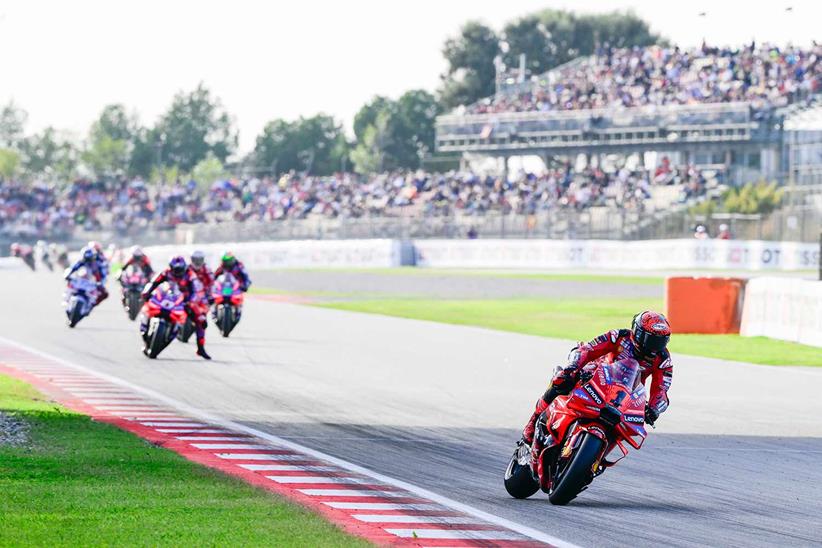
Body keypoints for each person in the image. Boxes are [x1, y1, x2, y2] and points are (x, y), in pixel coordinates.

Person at [520, 311, 673, 451]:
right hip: (598, 376)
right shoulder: (619, 336)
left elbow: (661, 390)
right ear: (637, 332)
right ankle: (532, 423)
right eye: (650, 339)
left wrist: (654, 408)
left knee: (626, 427)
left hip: (625, 395)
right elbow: (588, 349)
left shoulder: (663, 359)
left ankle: (595, 461)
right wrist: (573, 368)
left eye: (660, 342)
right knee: (562, 379)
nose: (654, 346)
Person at [141, 256, 211, 360]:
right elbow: (154, 283)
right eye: (174, 269)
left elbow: (195, 291)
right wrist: (147, 292)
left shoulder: (190, 275)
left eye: (179, 270)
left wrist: (190, 301)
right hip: (166, 297)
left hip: (183, 301)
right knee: (146, 308)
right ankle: (144, 330)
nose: (177, 272)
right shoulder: (166, 273)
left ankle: (200, 349)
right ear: (171, 267)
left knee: (201, 320)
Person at [187, 250, 214, 358]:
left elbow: (213, 284)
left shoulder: (207, 271)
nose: (197, 262)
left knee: (202, 321)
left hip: (200, 299)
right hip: (184, 296)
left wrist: (211, 296)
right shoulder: (185, 269)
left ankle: (201, 348)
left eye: (200, 260)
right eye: (195, 260)